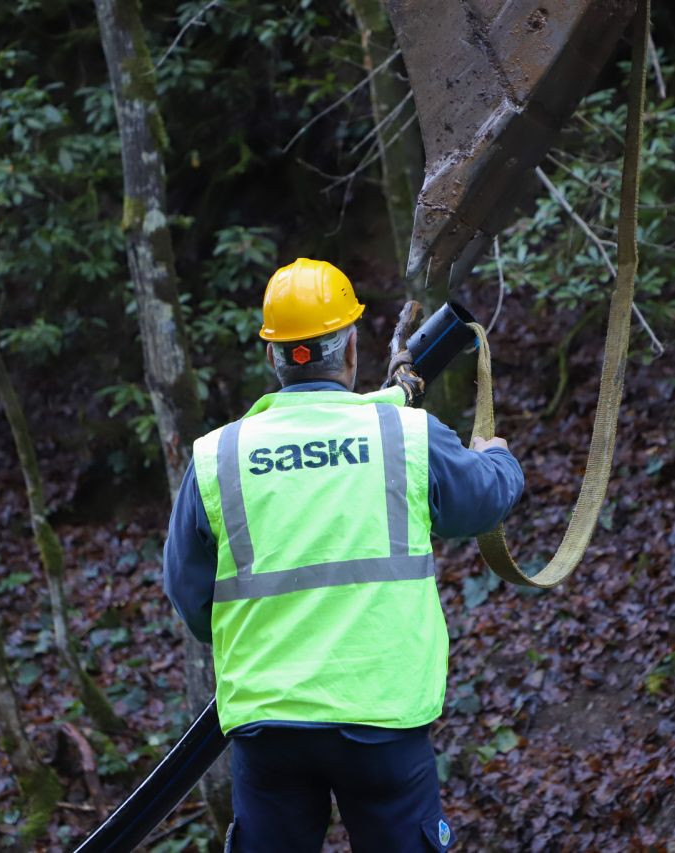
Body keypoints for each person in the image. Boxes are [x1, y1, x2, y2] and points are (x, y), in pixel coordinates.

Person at [163, 258, 524, 852]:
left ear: (273, 358)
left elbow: (191, 598)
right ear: (352, 349)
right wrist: (498, 457)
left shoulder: (217, 456)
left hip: (269, 724)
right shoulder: (404, 433)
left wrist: (256, 635)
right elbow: (482, 501)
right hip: (382, 718)